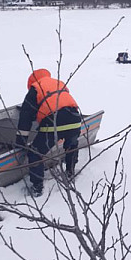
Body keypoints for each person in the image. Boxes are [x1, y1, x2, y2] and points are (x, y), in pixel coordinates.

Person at [16, 68, 81, 197]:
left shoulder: (35, 88)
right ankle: (70, 173)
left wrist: (21, 142)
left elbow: (25, 118)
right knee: (71, 146)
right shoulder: (59, 83)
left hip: (54, 122)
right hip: (75, 119)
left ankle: (37, 187)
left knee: (35, 153)